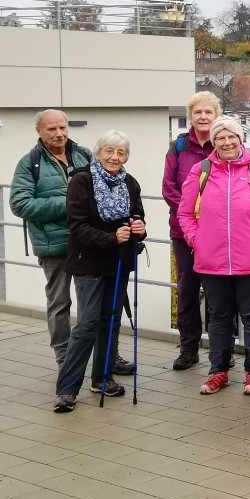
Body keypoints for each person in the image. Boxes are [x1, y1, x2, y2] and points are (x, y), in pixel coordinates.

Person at [178, 116, 250, 396]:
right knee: (218, 317)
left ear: (240, 139)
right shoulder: (200, 171)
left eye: (231, 137)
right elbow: (185, 213)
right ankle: (218, 371)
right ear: (214, 142)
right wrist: (196, 240)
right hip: (211, 262)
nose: (226, 142)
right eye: (220, 138)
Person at [53, 130, 146, 412]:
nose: (115, 157)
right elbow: (76, 226)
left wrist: (139, 227)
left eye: (121, 153)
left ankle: (102, 379)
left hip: (119, 263)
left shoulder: (130, 183)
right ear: (98, 153)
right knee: (87, 324)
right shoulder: (82, 180)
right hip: (88, 262)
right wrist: (110, 238)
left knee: (111, 321)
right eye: (109, 151)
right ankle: (67, 389)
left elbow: (137, 214)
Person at [11, 109, 92, 368]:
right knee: (59, 303)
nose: (59, 133)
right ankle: (64, 359)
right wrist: (68, 203)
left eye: (63, 127)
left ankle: (105, 356)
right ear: (39, 131)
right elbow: (20, 204)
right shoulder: (29, 163)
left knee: (93, 302)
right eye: (52, 129)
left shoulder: (84, 155)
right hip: (54, 246)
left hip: (87, 242)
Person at [162, 91, 221, 370]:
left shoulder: (225, 143)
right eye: (198, 112)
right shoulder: (178, 147)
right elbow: (169, 188)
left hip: (219, 232)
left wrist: (209, 218)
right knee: (187, 290)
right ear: (190, 116)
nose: (203, 117)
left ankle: (220, 351)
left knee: (217, 292)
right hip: (183, 232)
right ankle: (188, 348)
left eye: (208, 112)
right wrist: (192, 216)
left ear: (216, 116)